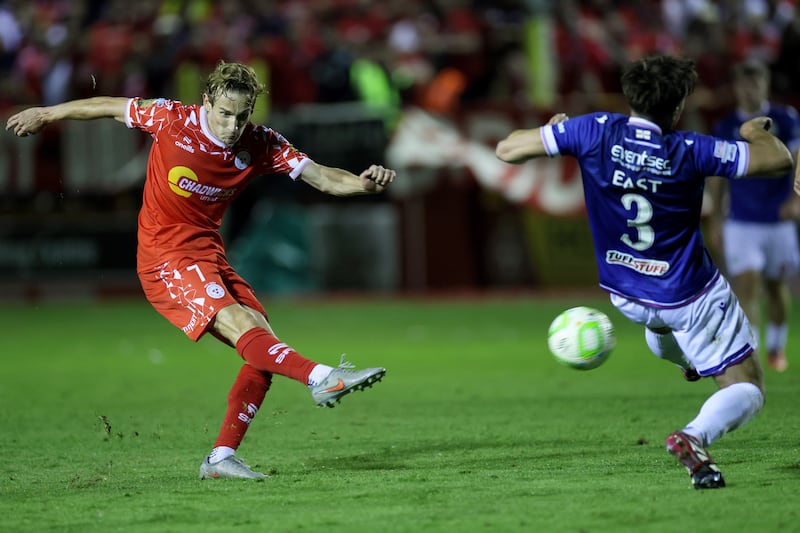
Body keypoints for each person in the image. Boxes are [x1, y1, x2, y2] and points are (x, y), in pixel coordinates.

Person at [5, 60, 396, 480]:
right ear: (206, 102)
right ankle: (322, 376)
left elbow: (322, 178)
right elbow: (107, 105)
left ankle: (221, 458)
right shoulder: (172, 118)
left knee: (262, 346)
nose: (232, 125)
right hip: (164, 256)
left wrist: (361, 184)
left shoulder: (262, 143)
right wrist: (47, 113)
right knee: (244, 327)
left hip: (208, 253)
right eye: (224, 114)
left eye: (242, 116)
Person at [494, 55, 793, 489]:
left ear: (630, 96)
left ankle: (687, 358)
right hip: (690, 295)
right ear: (677, 107)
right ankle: (694, 437)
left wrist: (556, 129)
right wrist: (750, 132)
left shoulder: (592, 129)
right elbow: (777, 159)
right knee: (748, 389)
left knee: (661, 325)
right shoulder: (692, 149)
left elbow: (507, 149)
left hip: (626, 293)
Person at [707, 58, 800, 373]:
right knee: (747, 286)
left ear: (766, 83)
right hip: (741, 221)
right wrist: (716, 217)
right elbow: (717, 176)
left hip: (778, 220)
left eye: (756, 81)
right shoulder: (725, 126)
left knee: (775, 287)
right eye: (745, 82)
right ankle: (752, 352)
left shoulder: (785, 119)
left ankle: (776, 347)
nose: (750, 88)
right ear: (736, 87)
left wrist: (796, 198)